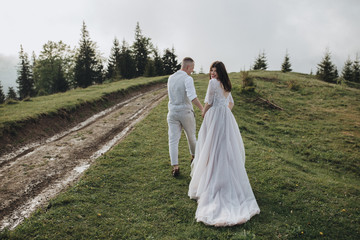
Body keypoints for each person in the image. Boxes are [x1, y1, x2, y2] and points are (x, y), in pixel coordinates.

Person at [188, 61, 260, 226]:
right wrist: (224, 111)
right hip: (226, 118)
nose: (212, 73)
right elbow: (231, 103)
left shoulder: (213, 83)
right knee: (224, 148)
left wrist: (204, 112)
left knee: (211, 147)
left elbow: (208, 101)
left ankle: (213, 180)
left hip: (214, 118)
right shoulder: (226, 84)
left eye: (215, 70)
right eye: (211, 70)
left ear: (220, 72)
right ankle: (224, 178)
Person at [167, 57, 203, 177]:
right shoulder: (188, 78)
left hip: (172, 112)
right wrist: (202, 109)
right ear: (188, 67)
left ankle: (175, 167)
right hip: (185, 112)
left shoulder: (170, 78)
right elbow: (192, 97)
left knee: (173, 140)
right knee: (191, 137)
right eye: (192, 68)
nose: (192, 70)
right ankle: (194, 158)